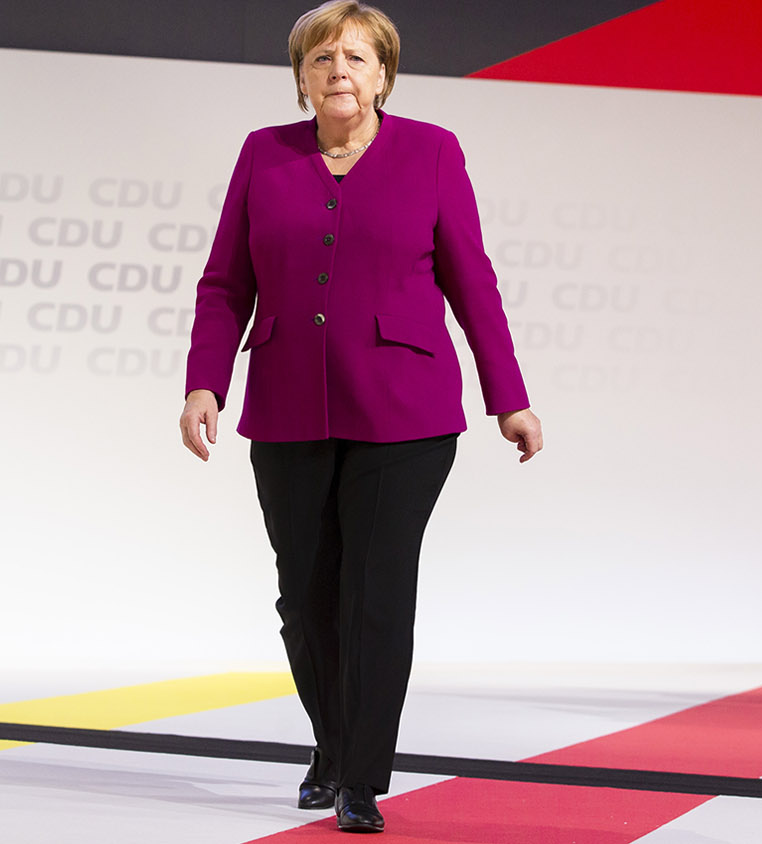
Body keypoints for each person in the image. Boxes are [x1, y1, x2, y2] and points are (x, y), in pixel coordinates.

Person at [178, 0, 543, 834]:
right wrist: (205, 383)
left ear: (383, 74)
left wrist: (509, 396)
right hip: (287, 407)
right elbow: (226, 283)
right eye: (321, 58)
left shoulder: (433, 151)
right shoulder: (263, 154)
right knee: (305, 600)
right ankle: (333, 745)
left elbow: (472, 280)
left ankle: (361, 779)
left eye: (355, 57)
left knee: (375, 595)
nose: (338, 69)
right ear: (301, 77)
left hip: (406, 413)